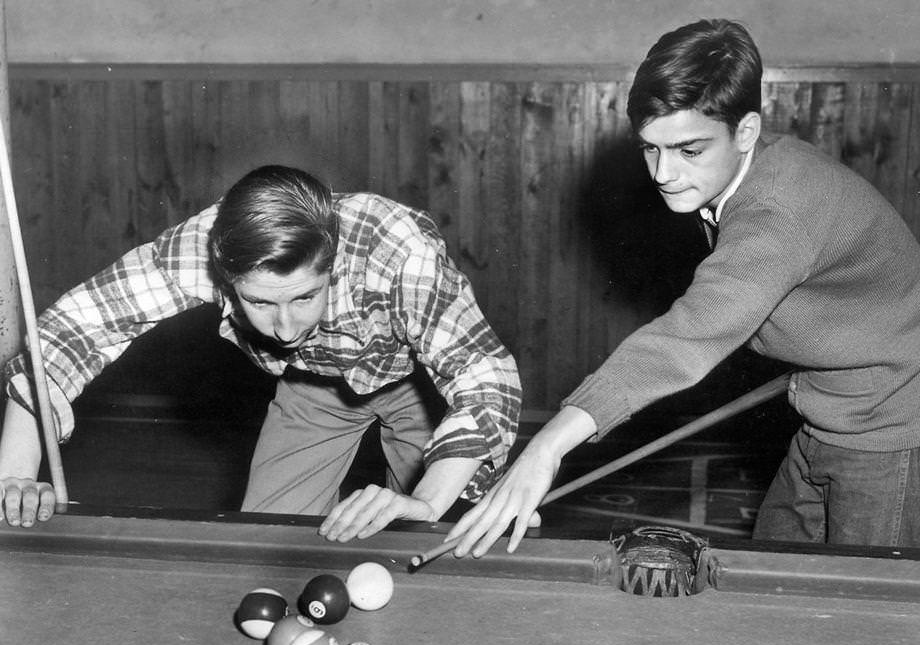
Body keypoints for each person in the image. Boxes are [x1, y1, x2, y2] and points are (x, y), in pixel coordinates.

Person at [446, 18, 920, 558]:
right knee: (772, 572)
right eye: (651, 148)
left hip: (890, 427)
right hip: (828, 407)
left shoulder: (777, 214)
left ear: (746, 131)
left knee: (867, 613)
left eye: (688, 150)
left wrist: (546, 449)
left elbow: (686, 337)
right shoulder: (744, 169)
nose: (664, 173)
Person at [0, 165, 522, 538]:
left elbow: (484, 377)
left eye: (304, 297)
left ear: (333, 262)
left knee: (430, 537)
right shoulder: (201, 246)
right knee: (267, 546)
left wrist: (427, 501)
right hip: (314, 388)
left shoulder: (395, 247)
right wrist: (15, 476)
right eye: (258, 302)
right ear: (225, 277)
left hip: (423, 392)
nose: (286, 327)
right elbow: (74, 328)